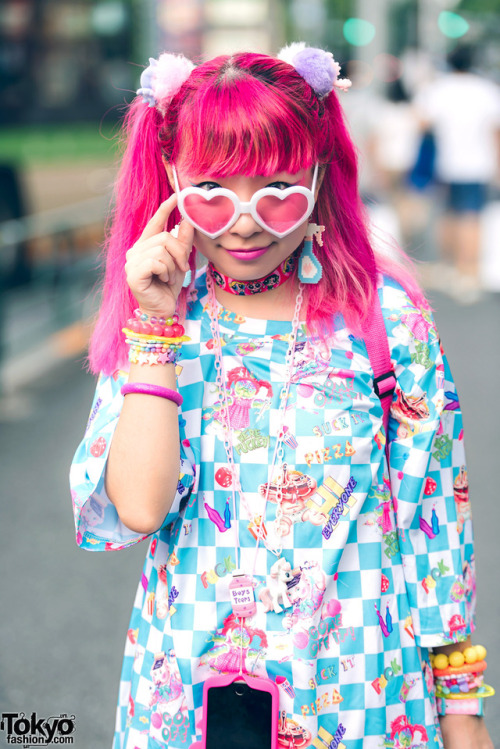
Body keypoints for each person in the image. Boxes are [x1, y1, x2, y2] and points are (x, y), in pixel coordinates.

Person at [70, 44, 494, 748]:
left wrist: (462, 712)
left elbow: (436, 523)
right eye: (213, 187)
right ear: (173, 173)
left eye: (277, 188)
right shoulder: (162, 319)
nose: (245, 219)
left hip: (363, 702)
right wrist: (153, 329)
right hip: (188, 704)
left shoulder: (385, 318)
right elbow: (139, 508)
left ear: (319, 173)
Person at [414, 45, 500, 303]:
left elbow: (421, 122)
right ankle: (469, 272)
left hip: (446, 161)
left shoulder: (439, 89)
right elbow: (495, 131)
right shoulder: (486, 89)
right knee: (471, 216)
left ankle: (450, 266)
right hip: (478, 163)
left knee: (448, 213)